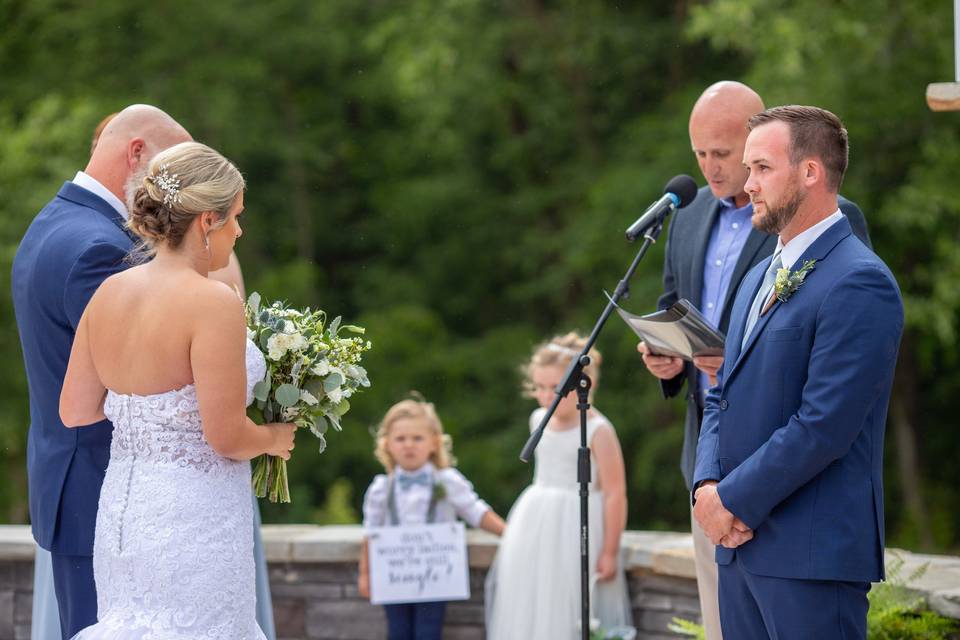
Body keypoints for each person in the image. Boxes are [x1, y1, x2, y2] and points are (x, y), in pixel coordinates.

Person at [636, 81, 871, 640]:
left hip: (796, 495)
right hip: (709, 465)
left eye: (729, 156)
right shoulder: (689, 215)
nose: (720, 172)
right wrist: (669, 359)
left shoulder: (838, 240)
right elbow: (676, 306)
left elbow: (830, 403)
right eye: (701, 155)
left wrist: (737, 497)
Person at [58, 141, 296, 638]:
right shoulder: (212, 303)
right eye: (234, 217)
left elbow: (75, 410)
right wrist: (275, 438)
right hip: (195, 521)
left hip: (125, 514)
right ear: (207, 220)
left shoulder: (109, 292)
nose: (240, 230)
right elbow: (226, 437)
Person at [692, 105, 903, 639]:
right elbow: (722, 394)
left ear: (810, 172)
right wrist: (706, 487)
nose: (747, 183)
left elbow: (823, 425)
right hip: (738, 554)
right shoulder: (760, 275)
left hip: (810, 557)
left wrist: (731, 502)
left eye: (762, 168)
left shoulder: (860, 282)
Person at [12, 104, 191, 638]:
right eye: (173, 172)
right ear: (136, 152)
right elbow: (144, 387)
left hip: (75, 482)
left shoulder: (52, 222)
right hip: (105, 496)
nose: (178, 193)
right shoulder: (103, 249)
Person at [486, 333, 632, 640]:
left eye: (554, 388)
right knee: (531, 596)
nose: (544, 396)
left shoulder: (598, 429)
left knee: (568, 597)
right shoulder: (537, 418)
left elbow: (615, 492)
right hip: (535, 521)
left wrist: (609, 551)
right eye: (539, 387)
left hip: (577, 522)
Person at [358, 397, 506, 640]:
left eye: (417, 438)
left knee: (429, 632)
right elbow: (370, 532)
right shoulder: (381, 489)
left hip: (435, 578)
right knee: (397, 632)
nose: (409, 445)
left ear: (434, 443)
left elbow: (475, 511)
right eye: (400, 439)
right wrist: (365, 574)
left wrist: (510, 533)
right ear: (387, 445)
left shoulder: (446, 481)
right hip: (394, 577)